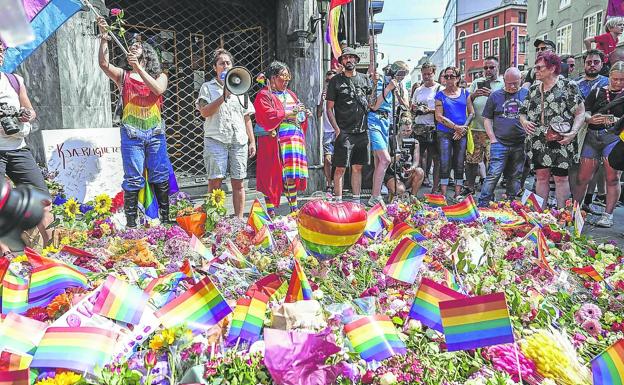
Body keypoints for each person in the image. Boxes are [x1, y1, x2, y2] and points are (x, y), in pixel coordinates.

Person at [97, 17, 171, 227]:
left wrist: (138, 68)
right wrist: (104, 37)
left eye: (139, 45)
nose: (134, 45)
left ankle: (164, 219)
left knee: (159, 174)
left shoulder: (161, 75)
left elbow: (158, 89)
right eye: (132, 44)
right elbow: (103, 64)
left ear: (146, 53)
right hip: (132, 135)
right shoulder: (124, 76)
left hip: (155, 134)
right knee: (133, 178)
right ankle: (132, 222)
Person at [0, 43, 53, 250]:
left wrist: (26, 114)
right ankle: (6, 259)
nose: (0, 55)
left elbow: (30, 109)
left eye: (1, 50)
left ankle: (54, 252)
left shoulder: (14, 80)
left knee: (43, 200)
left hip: (18, 147)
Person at [519, 51, 585, 209]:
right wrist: (524, 121)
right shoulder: (534, 89)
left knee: (561, 179)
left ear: (552, 68)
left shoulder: (568, 86)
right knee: (541, 177)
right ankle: (540, 215)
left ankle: (562, 215)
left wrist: (573, 133)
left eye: (539, 67)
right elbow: (522, 112)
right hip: (537, 140)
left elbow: (580, 112)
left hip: (560, 140)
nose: (536, 71)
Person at [196, 49, 256, 219]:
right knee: (215, 181)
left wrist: (252, 141)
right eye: (221, 63)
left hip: (238, 141)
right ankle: (213, 220)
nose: (225, 66)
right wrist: (224, 96)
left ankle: (238, 220)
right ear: (215, 67)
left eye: (228, 63)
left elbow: (246, 117)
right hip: (216, 140)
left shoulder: (241, 88)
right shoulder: (207, 88)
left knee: (239, 182)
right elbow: (204, 112)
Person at [253, 61, 309, 216]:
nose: (286, 81)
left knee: (291, 175)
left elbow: (298, 113)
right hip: (275, 141)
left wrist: (303, 115)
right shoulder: (264, 95)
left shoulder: (291, 94)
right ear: (272, 78)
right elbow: (267, 115)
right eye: (282, 77)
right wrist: (289, 113)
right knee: (272, 175)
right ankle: (271, 212)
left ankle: (294, 210)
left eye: (287, 77)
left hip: (294, 139)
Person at [574, 61, 624, 228]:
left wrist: (616, 121)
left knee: (612, 178)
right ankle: (575, 210)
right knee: (582, 178)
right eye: (615, 79)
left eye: (622, 80)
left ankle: (607, 215)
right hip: (592, 136)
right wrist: (589, 118)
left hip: (614, 138)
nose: (618, 82)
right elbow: (585, 110)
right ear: (609, 77)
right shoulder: (597, 91)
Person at [326, 47, 373, 203]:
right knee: (340, 167)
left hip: (362, 130)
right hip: (344, 131)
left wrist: (378, 83)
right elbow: (329, 108)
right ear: (342, 62)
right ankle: (338, 201)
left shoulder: (365, 79)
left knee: (357, 167)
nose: (349, 60)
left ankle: (356, 201)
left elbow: (371, 103)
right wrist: (337, 129)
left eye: (352, 57)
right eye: (345, 58)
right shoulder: (335, 81)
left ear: (356, 61)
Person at [478, 68, 528, 206]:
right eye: (509, 83)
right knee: (493, 174)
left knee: (515, 175)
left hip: (520, 142)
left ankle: (511, 203)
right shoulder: (495, 96)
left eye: (515, 83)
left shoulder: (526, 94)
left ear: (521, 81)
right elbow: (487, 118)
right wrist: (492, 138)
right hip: (500, 142)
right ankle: (483, 203)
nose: (512, 86)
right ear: (504, 81)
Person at [367, 61, 409, 207]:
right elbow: (374, 105)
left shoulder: (399, 86)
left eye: (404, 75)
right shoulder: (380, 83)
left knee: (379, 162)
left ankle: (375, 195)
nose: (402, 77)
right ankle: (375, 196)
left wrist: (396, 92)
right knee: (385, 159)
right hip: (375, 120)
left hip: (387, 122)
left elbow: (405, 106)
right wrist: (388, 88)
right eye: (400, 74)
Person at [576, 49, 610, 213]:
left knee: (596, 167)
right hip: (580, 129)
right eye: (589, 62)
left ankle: (588, 200)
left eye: (596, 62)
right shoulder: (575, 83)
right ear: (584, 64)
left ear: (602, 64)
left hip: (603, 130)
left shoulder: (608, 82)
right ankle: (576, 203)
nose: (592, 65)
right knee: (580, 168)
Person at [434, 66, 475, 200]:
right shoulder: (440, 95)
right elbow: (438, 116)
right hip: (444, 132)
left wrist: (463, 128)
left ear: (458, 78)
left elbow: (471, 113)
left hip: (461, 132)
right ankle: (444, 194)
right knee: (444, 162)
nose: (449, 79)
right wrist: (456, 127)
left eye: (452, 76)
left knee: (459, 162)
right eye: (446, 76)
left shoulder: (465, 93)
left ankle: (457, 194)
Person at [465, 56, 504, 196]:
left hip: (493, 130)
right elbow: (468, 101)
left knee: (491, 162)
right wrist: (473, 96)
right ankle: (470, 187)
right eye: (486, 68)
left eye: (491, 67)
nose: (488, 70)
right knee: (471, 160)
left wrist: (493, 95)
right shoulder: (476, 82)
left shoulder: (503, 83)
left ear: (497, 68)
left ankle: (489, 191)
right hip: (475, 128)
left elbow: (505, 104)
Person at [411, 62, 442, 191]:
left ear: (434, 73)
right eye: (424, 74)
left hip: (434, 128)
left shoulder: (440, 89)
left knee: (436, 159)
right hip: (419, 128)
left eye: (429, 74)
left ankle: (435, 189)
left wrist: (429, 110)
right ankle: (415, 188)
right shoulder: (418, 90)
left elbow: (444, 110)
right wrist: (415, 109)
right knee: (417, 158)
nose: (426, 76)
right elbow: (411, 108)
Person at [384, 113, 425, 197]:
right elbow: (384, 161)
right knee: (400, 190)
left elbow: (416, 162)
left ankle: (413, 197)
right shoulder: (391, 140)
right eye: (403, 130)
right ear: (398, 129)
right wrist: (395, 158)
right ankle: (394, 191)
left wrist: (412, 168)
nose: (406, 133)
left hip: (407, 173)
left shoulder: (415, 142)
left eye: (408, 130)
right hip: (392, 173)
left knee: (420, 171)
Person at [317, 70, 337, 193]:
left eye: (332, 80)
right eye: (328, 81)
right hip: (328, 131)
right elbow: (318, 114)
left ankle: (337, 183)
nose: (330, 83)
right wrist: (322, 101)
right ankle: (329, 183)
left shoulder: (339, 92)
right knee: (328, 159)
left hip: (339, 129)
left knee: (339, 159)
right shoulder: (322, 94)